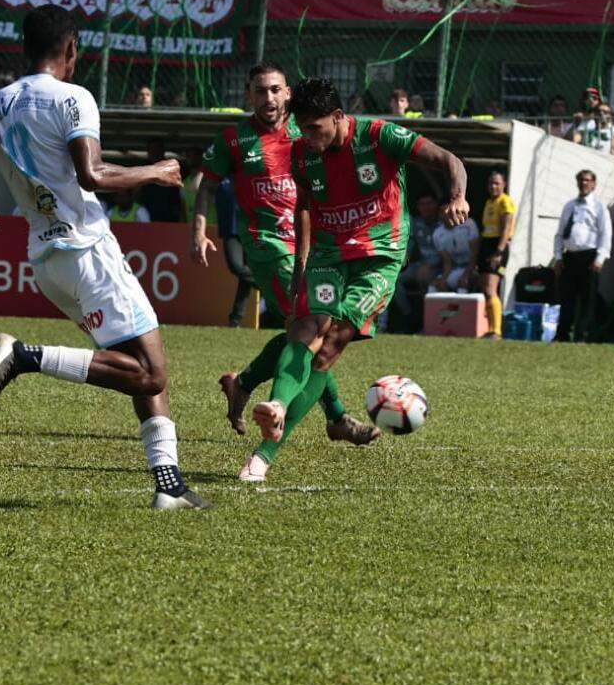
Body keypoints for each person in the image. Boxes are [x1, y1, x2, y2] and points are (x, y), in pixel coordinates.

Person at [0, 4, 208, 511]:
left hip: (46, 259)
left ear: (24, 48)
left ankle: (169, 486)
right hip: (87, 249)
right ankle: (25, 356)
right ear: (71, 49)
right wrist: (156, 171)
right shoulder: (74, 97)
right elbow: (92, 174)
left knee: (133, 361)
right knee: (153, 373)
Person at [244, 77, 469, 481]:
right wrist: (300, 266)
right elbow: (306, 209)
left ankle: (262, 456)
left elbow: (449, 160)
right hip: (329, 252)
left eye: (315, 128)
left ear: (337, 116)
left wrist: (457, 195)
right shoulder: (301, 153)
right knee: (306, 326)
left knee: (329, 346)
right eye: (301, 127)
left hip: (379, 257)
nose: (307, 136)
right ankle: (277, 406)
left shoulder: (381, 136)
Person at [191, 63, 356, 456]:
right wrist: (198, 231)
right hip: (267, 247)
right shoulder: (234, 139)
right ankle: (336, 416)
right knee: (314, 327)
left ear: (287, 94)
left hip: (309, 244)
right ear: (249, 95)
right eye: (260, 91)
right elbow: (206, 187)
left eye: (275, 90)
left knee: (304, 333)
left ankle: (244, 383)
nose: (268, 98)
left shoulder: (307, 131)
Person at [554, 170, 612, 343]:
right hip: (570, 256)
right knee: (567, 297)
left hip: (589, 256)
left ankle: (582, 335)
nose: (584, 183)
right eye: (581, 180)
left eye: (588, 180)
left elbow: (605, 234)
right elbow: (560, 234)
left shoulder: (599, 207)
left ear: (594, 184)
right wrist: (558, 257)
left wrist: (600, 258)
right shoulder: (569, 206)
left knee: (588, 298)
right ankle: (563, 334)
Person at [393, 192, 443, 330]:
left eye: (429, 203)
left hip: (442, 268)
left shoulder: (443, 223)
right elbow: (410, 247)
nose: (426, 207)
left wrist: (432, 265)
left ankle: (430, 323)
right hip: (420, 266)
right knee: (394, 279)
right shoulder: (416, 223)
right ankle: (408, 316)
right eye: (422, 204)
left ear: (436, 205)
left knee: (427, 281)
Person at [478, 171, 515, 338]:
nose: (493, 186)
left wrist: (499, 251)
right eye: (491, 183)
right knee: (485, 288)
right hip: (487, 244)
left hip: (497, 246)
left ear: (504, 184)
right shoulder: (488, 202)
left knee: (491, 288)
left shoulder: (505, 202)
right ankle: (490, 328)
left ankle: (496, 331)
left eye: (497, 183)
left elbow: (506, 228)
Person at [214, 177, 254, 328]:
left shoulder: (247, 173)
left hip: (250, 229)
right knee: (236, 266)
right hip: (230, 230)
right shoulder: (220, 176)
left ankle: (235, 319)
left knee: (244, 276)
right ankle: (264, 286)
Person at [137, 138, 184, 223]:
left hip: (170, 218)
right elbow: (137, 194)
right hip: (148, 217)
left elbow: (181, 197)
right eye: (151, 150)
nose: (154, 153)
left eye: (157, 149)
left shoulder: (172, 168)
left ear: (162, 151)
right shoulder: (143, 170)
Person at [432, 214, 480, 291]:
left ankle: (464, 302)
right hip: (456, 268)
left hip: (474, 267)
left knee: (463, 283)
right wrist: (443, 279)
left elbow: (475, 254)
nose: (449, 215)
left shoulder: (469, 224)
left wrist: (466, 274)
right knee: (435, 286)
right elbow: (447, 262)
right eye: (445, 213)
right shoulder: (437, 233)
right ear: (441, 214)